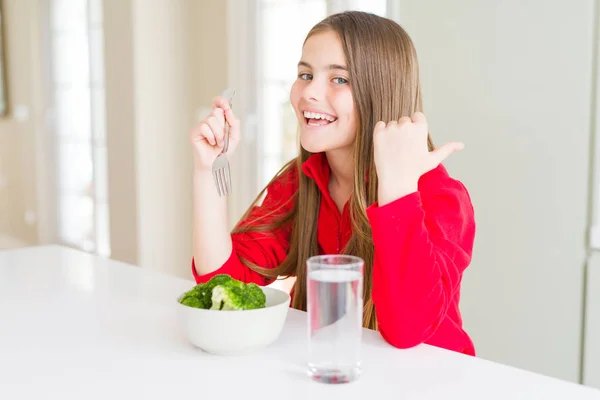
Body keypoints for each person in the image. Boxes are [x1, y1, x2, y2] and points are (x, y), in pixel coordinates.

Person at [189, 11, 476, 356]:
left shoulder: (442, 198)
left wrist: (398, 191)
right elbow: (225, 285)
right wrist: (207, 170)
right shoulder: (302, 181)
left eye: (339, 79)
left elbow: (407, 331)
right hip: (333, 371)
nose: (309, 91)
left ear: (379, 91)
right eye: (305, 74)